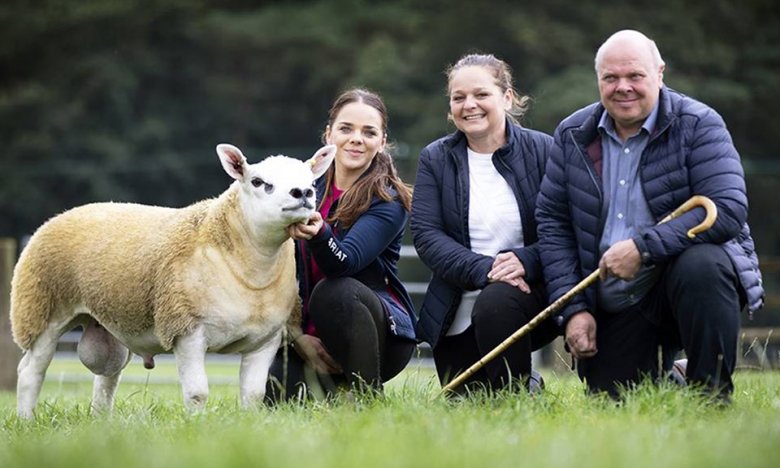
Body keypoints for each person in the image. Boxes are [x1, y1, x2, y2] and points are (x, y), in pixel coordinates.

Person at [535, 30, 764, 401]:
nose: (622, 87)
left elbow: (727, 209)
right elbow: (553, 224)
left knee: (703, 263)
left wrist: (642, 249)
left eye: (635, 76)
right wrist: (573, 310)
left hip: (682, 283)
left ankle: (710, 396)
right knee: (617, 400)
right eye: (611, 78)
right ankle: (675, 375)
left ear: (659, 73)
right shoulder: (572, 133)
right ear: (599, 80)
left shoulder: (700, 123)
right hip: (615, 300)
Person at [411, 53, 559, 394]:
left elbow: (565, 227)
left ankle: (521, 394)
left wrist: (526, 260)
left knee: (497, 304)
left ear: (506, 98)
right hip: (456, 305)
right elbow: (427, 235)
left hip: (530, 295)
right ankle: (532, 384)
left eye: (481, 94)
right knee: (465, 401)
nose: (469, 105)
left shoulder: (546, 150)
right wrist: (487, 269)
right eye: (458, 97)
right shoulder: (435, 158)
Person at [265, 88, 417, 402]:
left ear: (382, 141)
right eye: (346, 129)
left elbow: (344, 262)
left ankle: (367, 398)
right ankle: (333, 391)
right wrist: (296, 337)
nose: (356, 139)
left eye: (369, 132)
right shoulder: (303, 188)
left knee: (336, 290)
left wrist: (321, 235)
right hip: (308, 336)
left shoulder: (388, 200)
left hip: (380, 337)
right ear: (328, 134)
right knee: (276, 399)